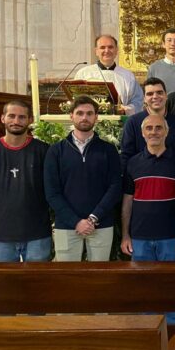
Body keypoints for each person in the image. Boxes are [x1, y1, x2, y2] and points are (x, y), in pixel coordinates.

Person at [44, 95, 121, 261]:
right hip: (66, 225)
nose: (84, 117)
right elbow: (52, 192)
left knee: (99, 278)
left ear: (96, 117)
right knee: (67, 278)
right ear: (71, 115)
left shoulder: (108, 150)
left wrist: (94, 218)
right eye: (79, 113)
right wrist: (76, 221)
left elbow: (115, 186)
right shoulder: (56, 151)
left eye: (89, 113)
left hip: (101, 224)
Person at [121, 114, 175, 270]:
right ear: (143, 133)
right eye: (149, 128)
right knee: (141, 287)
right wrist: (125, 235)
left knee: (170, 286)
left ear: (167, 132)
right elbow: (127, 203)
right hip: (139, 238)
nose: (154, 132)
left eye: (159, 128)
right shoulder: (133, 163)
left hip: (171, 237)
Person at [0, 100, 51, 261]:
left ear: (30, 120)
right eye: (11, 116)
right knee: (1, 286)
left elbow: (53, 190)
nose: (16, 121)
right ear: (3, 118)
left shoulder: (44, 151)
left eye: (22, 117)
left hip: (37, 234)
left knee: (37, 285)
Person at [120, 77, 175, 171]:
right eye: (150, 94)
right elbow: (126, 154)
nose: (155, 96)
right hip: (141, 175)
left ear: (166, 95)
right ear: (144, 99)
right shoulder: (133, 122)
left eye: (159, 92)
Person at [75, 34, 143, 116]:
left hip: (119, 123)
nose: (106, 51)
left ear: (116, 50)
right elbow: (76, 100)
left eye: (110, 47)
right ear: (96, 51)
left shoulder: (128, 75)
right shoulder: (83, 73)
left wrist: (125, 110)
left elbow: (138, 101)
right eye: (102, 47)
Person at [147, 28, 175, 94]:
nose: (173, 44)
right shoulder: (154, 68)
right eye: (169, 40)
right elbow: (149, 93)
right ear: (163, 44)